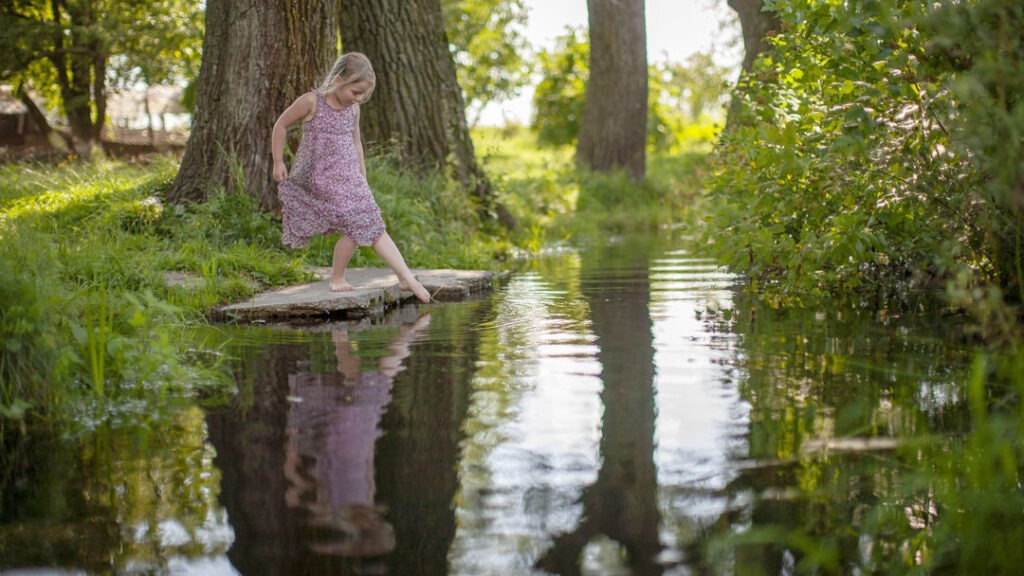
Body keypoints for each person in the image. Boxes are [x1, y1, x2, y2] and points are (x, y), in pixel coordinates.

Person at [272, 52, 431, 303]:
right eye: (355, 92)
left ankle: (404, 277)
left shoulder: (353, 110)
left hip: (350, 178)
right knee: (356, 221)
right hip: (323, 178)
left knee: (371, 222)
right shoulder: (312, 102)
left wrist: (362, 178)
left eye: (362, 95)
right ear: (338, 80)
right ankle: (340, 277)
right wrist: (278, 161)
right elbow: (280, 125)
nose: (358, 98)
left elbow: (356, 143)